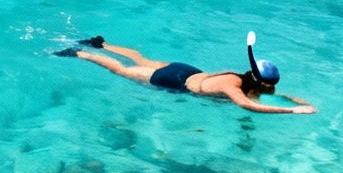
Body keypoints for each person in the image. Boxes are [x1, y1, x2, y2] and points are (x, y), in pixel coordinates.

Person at [56, 35, 315, 115]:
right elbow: (248, 105)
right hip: (177, 81)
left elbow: (271, 95)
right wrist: (292, 111)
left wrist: (298, 101)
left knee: (142, 58)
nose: (271, 90)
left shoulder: (241, 77)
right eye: (269, 85)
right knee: (121, 70)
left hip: (187, 69)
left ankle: (101, 44)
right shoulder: (231, 86)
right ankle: (81, 54)